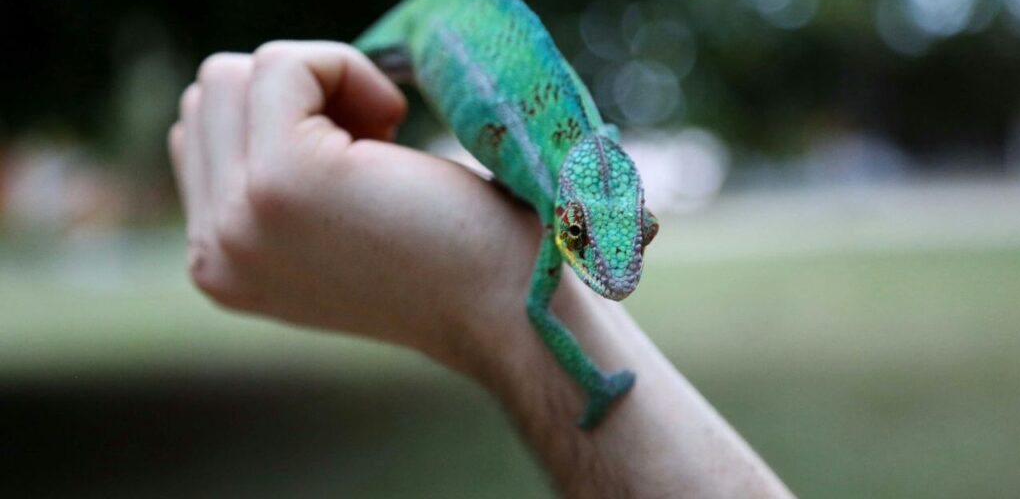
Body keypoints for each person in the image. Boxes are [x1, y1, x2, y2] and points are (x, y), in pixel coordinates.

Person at [167, 40, 794, 498]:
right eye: (576, 232)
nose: (618, 270)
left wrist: (484, 273)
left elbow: (536, 283)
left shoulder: (579, 180)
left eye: (639, 231)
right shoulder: (562, 195)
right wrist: (592, 381)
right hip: (436, 37)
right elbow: (533, 307)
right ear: (564, 215)